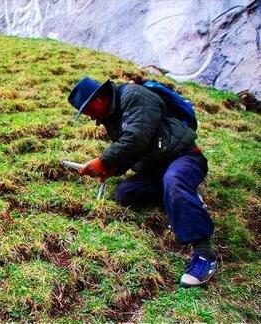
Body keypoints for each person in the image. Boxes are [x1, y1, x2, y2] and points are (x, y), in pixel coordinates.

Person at [68, 76, 216, 288]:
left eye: (87, 109)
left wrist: (103, 161)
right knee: (125, 193)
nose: (90, 117)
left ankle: (204, 255)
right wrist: (111, 169)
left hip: (183, 158)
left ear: (98, 98)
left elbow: (137, 137)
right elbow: (129, 152)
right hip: (155, 169)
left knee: (174, 180)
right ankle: (184, 198)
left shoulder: (134, 96)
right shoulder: (111, 115)